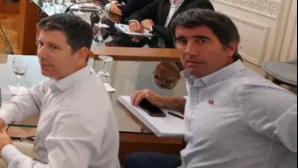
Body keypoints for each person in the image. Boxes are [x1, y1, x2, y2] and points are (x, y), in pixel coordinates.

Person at [125, 10, 297, 168]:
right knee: (134, 159)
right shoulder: (208, 80)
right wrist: (167, 102)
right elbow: (218, 106)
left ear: (230, 47)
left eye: (201, 41)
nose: (189, 51)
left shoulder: (255, 94)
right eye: (182, 41)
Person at [0, 13, 120, 168]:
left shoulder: (78, 115)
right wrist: (2, 117)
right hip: (48, 156)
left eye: (53, 47)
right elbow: (33, 96)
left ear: (80, 55)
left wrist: (5, 149)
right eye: (41, 43)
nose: (41, 54)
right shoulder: (75, 75)